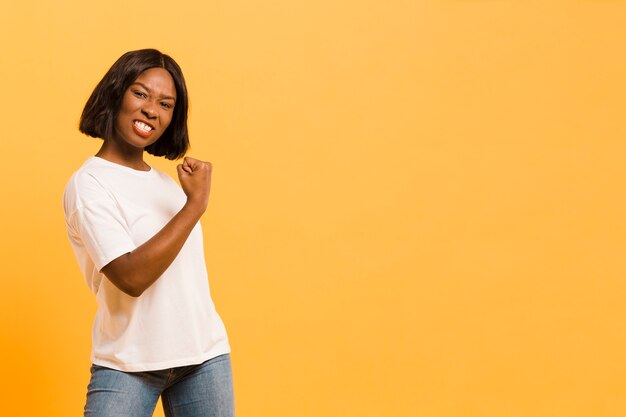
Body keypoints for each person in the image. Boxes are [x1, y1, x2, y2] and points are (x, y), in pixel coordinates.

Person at [63, 49, 233, 417]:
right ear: (115, 93)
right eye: (140, 94)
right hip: (129, 362)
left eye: (166, 103)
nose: (151, 110)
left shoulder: (170, 186)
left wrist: (187, 200)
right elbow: (131, 276)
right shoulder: (89, 184)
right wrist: (194, 206)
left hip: (204, 358)